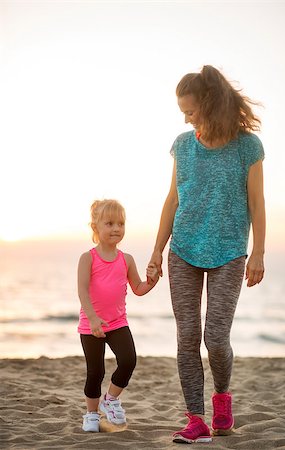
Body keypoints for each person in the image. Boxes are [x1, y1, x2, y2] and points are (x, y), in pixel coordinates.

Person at [148, 65, 265, 444]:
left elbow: (257, 203)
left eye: (191, 110)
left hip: (230, 252)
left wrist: (257, 252)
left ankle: (222, 397)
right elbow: (172, 199)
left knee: (215, 338)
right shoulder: (183, 145)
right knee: (187, 337)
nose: (186, 117)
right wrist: (156, 250)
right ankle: (196, 419)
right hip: (183, 250)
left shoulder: (248, 146)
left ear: (211, 105)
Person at [78, 199, 159, 432]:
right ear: (96, 227)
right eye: (110, 223)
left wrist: (151, 281)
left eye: (120, 224)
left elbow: (139, 288)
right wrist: (93, 319)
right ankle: (91, 414)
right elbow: (82, 290)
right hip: (91, 324)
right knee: (96, 371)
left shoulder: (127, 259)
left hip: (117, 322)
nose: (116, 228)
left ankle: (111, 399)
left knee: (128, 360)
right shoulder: (88, 258)